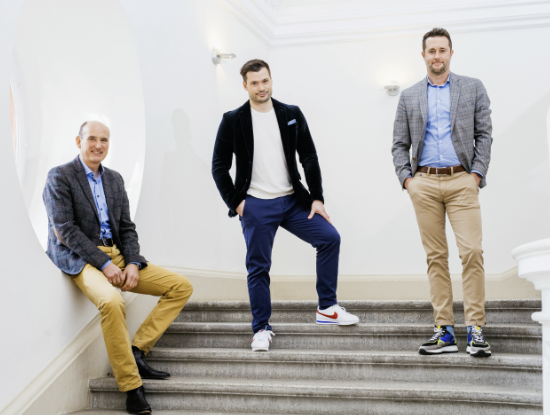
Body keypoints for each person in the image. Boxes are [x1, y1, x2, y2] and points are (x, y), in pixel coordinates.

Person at [43, 121, 194, 413]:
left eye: (104, 140)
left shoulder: (114, 179)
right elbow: (65, 231)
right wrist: (103, 263)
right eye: (92, 139)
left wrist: (133, 263)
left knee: (180, 286)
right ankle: (131, 387)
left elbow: (126, 228)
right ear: (79, 142)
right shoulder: (60, 176)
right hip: (82, 258)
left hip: (118, 254)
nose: (98, 145)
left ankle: (136, 350)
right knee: (112, 301)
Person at [212, 59, 359, 352]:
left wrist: (317, 197)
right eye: (254, 83)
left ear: (271, 80)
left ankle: (327, 308)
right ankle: (261, 329)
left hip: (293, 200)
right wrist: (238, 203)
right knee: (259, 267)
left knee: (329, 238)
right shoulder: (233, 119)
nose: (261, 87)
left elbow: (309, 157)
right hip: (256, 204)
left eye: (265, 81)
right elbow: (219, 166)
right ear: (245, 85)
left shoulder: (291, 114)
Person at [392, 28, 493, 357]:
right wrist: (408, 181)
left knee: (472, 253)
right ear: (423, 55)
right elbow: (399, 144)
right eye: (431, 51)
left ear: (451, 53)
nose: (437, 56)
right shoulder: (409, 96)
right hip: (424, 183)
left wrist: (476, 175)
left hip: (462, 180)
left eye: (442, 50)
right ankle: (445, 331)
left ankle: (475, 329)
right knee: (435, 257)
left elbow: (484, 135)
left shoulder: (473, 87)